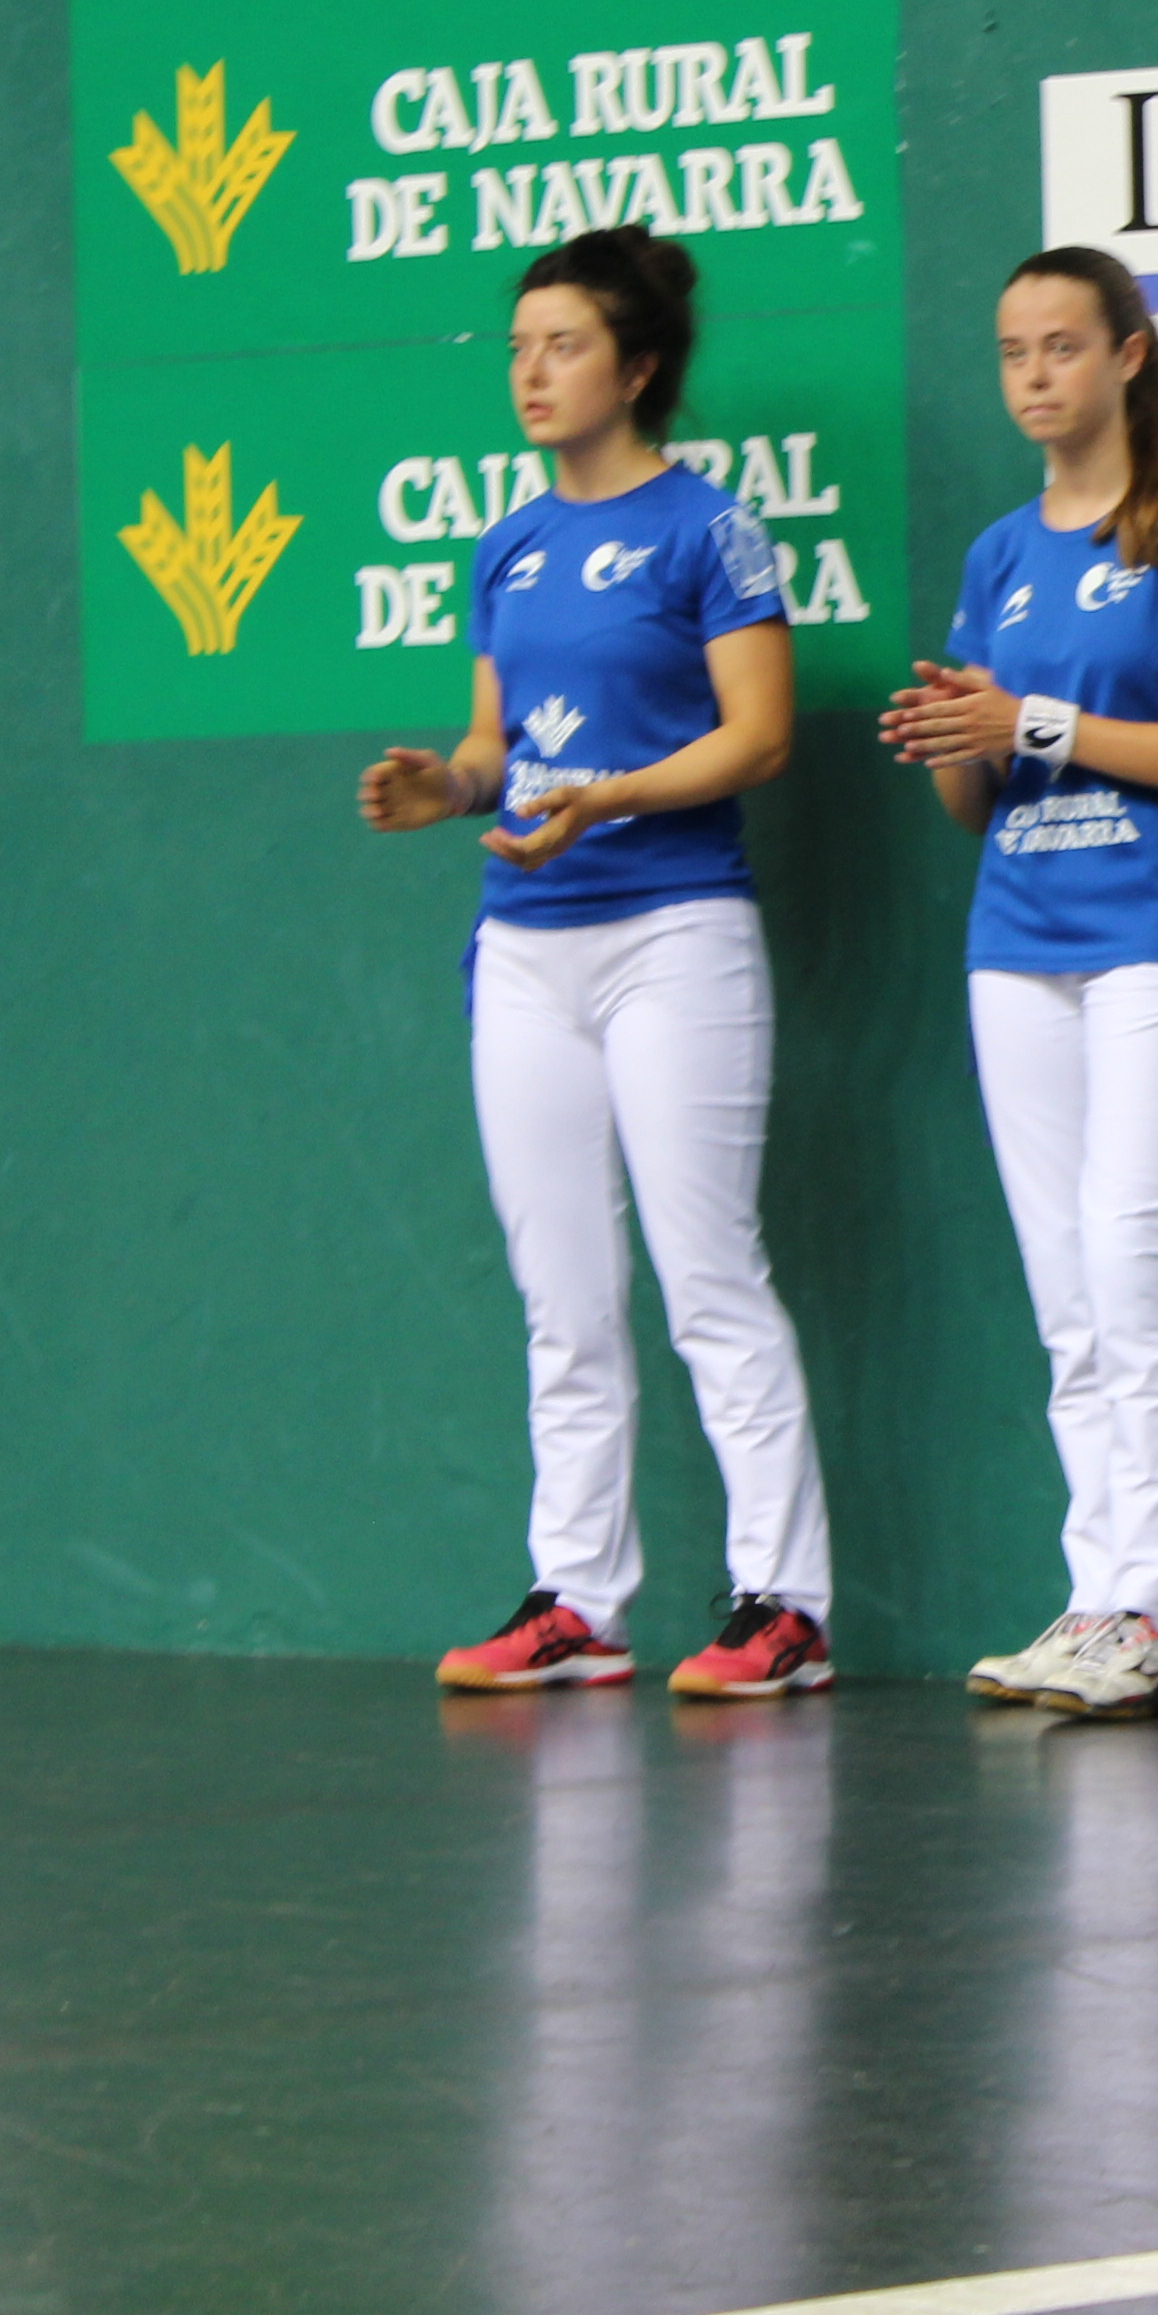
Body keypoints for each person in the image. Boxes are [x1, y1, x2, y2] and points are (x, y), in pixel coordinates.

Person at [364, 223, 836, 1702]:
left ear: (636, 367)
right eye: (516, 348)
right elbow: (496, 749)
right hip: (526, 954)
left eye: (561, 344)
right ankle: (578, 1601)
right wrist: (443, 790)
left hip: (676, 937)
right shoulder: (505, 545)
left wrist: (608, 800)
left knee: (710, 1279)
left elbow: (759, 735)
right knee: (561, 1295)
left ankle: (786, 1607)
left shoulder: (712, 532)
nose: (531, 371)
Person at [881, 248, 1158, 1722]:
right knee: (1067, 1297)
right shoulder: (998, 554)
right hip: (1017, 944)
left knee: (1129, 1257)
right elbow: (981, 801)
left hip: (1157, 935)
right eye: (1010, 352)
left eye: (1060, 346)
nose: (1033, 374)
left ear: (1125, 357)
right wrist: (952, 738)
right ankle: (1093, 1592)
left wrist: (1035, 716)